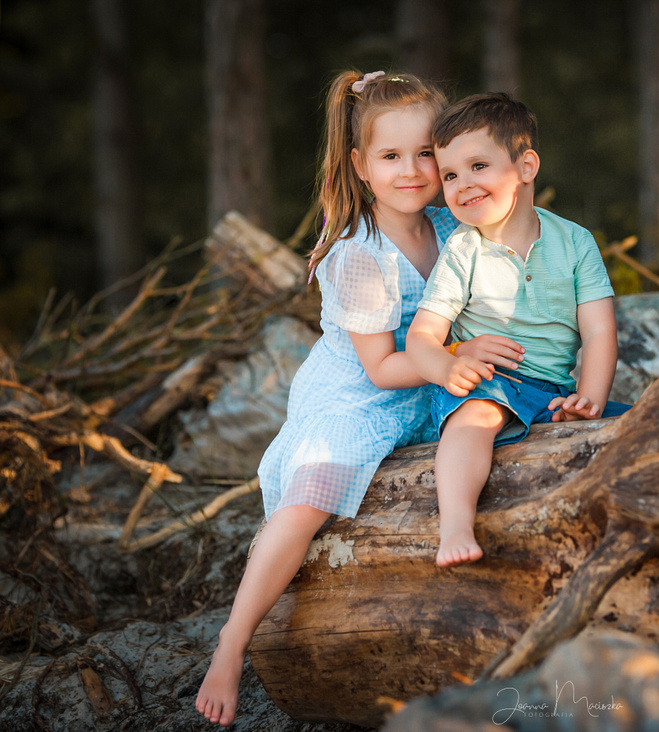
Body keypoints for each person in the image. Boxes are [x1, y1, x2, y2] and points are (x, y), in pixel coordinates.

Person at [195, 72, 524, 727]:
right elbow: (379, 368)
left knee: (507, 414)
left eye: (427, 153)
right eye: (390, 157)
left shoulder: (446, 220)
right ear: (361, 166)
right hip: (363, 392)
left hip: (429, 378)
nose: (412, 170)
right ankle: (231, 644)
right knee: (309, 497)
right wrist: (459, 356)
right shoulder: (360, 254)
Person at [406, 92, 629, 569]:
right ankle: (456, 526)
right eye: (449, 175)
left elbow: (599, 332)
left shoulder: (575, 242)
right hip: (486, 382)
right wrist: (450, 367)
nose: (462, 184)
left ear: (526, 166)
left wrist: (588, 399)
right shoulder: (464, 250)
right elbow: (421, 338)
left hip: (553, 392)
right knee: (478, 417)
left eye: (478, 166)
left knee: (636, 419)